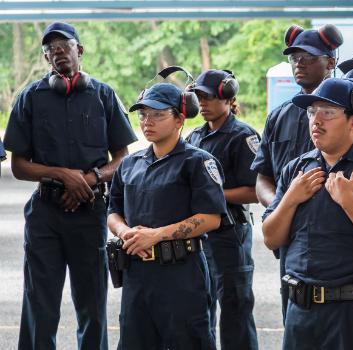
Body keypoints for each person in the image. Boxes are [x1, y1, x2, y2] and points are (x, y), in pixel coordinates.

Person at [3, 22, 137, 350]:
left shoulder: (104, 95)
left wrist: (88, 179)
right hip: (45, 215)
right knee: (40, 303)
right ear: (46, 59)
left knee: (92, 303)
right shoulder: (30, 98)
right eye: (51, 50)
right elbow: (19, 165)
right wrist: (63, 174)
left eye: (65, 46)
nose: (58, 52)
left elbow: (122, 158)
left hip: (90, 212)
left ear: (80, 51)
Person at [252, 23, 353, 322]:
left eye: (309, 57)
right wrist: (284, 201)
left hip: (346, 248)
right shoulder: (279, 115)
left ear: (331, 62)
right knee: (298, 311)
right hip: (295, 238)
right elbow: (263, 174)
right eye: (294, 58)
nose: (299, 64)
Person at [262, 78, 353, 349]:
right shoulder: (296, 170)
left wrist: (349, 202)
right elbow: (271, 238)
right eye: (312, 112)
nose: (316, 121)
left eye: (328, 112)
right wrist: (290, 199)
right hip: (302, 312)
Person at [107, 83, 227, 349]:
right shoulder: (129, 164)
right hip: (137, 273)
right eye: (143, 114)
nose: (147, 121)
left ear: (179, 119)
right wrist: (124, 232)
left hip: (181, 273)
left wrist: (157, 235)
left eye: (158, 114)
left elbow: (211, 218)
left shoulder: (197, 162)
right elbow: (113, 211)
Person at [186, 69, 259, 350]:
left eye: (208, 97)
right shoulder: (195, 136)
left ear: (228, 98)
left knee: (235, 309)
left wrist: (210, 196)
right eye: (198, 97)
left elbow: (253, 190)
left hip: (229, 233)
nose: (202, 103)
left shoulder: (242, 136)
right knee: (199, 308)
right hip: (200, 235)